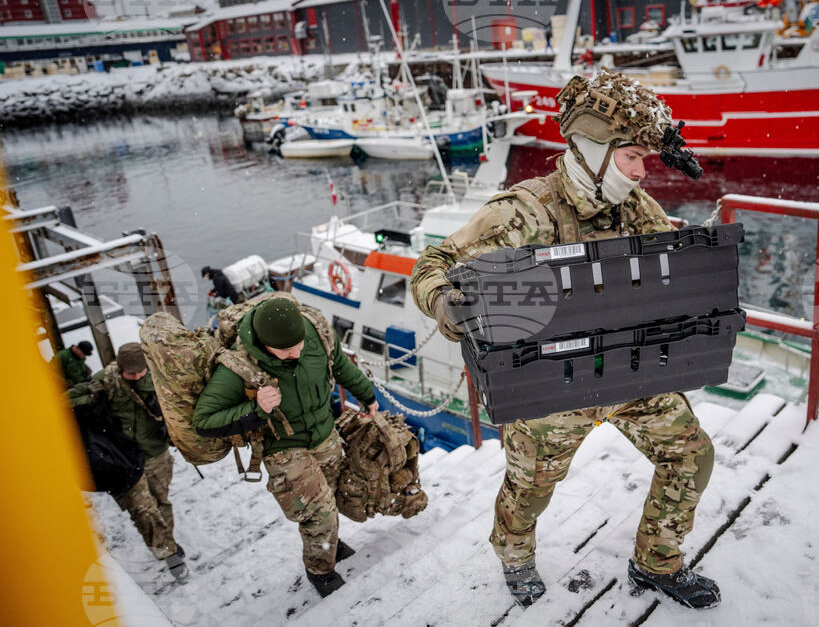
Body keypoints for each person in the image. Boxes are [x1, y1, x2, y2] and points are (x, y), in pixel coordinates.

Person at [409, 70, 720, 609]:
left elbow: (668, 259)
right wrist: (444, 301)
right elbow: (432, 263)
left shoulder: (634, 207)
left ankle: (656, 562)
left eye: (645, 159)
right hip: (550, 381)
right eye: (632, 159)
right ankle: (515, 554)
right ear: (593, 151)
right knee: (529, 490)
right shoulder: (524, 211)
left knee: (691, 455)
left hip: (629, 369)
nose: (643, 173)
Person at [192, 297, 378, 597]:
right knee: (320, 513)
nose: (298, 352)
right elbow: (204, 420)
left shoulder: (315, 332)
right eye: (287, 350)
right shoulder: (239, 365)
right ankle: (321, 571)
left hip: (324, 433)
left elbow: (340, 366)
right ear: (265, 346)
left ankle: (328, 542)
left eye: (300, 344)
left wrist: (367, 396)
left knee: (331, 495)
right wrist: (256, 409)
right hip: (283, 447)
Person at [69, 342, 187, 579]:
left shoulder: (159, 375)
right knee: (142, 510)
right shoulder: (106, 379)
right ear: (119, 366)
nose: (135, 376)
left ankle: (167, 541)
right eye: (129, 372)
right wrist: (92, 398)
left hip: (156, 452)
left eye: (140, 371)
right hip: (124, 459)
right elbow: (64, 401)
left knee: (160, 501)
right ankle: (168, 554)